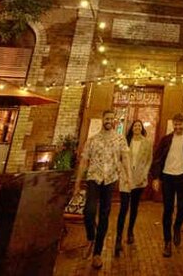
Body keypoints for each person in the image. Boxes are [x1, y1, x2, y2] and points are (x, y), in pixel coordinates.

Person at [73, 110, 131, 269]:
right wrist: (77, 182)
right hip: (94, 177)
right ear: (102, 119)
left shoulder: (120, 139)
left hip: (110, 179)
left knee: (104, 215)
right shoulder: (92, 140)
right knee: (89, 211)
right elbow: (84, 161)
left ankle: (97, 253)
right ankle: (91, 237)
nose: (109, 121)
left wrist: (128, 177)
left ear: (114, 121)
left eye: (112, 119)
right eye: (107, 118)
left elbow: (125, 158)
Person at [150, 112, 183, 258]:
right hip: (167, 177)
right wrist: (155, 178)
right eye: (176, 124)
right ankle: (167, 242)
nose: (178, 127)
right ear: (173, 124)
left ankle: (177, 227)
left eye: (180, 124)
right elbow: (157, 158)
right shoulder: (166, 139)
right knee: (168, 209)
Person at [114, 119, 153, 255]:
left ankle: (130, 231)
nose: (137, 127)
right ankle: (118, 238)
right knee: (124, 207)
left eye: (139, 126)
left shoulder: (147, 143)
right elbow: (118, 158)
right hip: (125, 178)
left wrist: (145, 174)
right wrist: (120, 171)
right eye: (135, 126)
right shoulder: (124, 141)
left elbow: (149, 160)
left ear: (142, 128)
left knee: (134, 206)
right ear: (132, 128)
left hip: (139, 179)